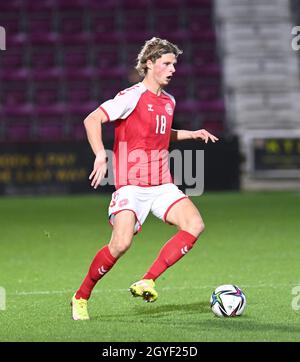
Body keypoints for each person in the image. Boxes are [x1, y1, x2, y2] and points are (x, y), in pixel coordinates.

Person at [71, 37, 219, 320]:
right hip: (131, 184)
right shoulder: (132, 96)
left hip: (162, 183)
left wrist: (192, 133)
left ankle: (148, 279)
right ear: (149, 64)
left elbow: (164, 132)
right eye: (166, 63)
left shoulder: (169, 100)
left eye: (174, 64)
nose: (173, 69)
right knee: (121, 244)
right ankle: (81, 296)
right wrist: (101, 154)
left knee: (194, 224)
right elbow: (92, 119)